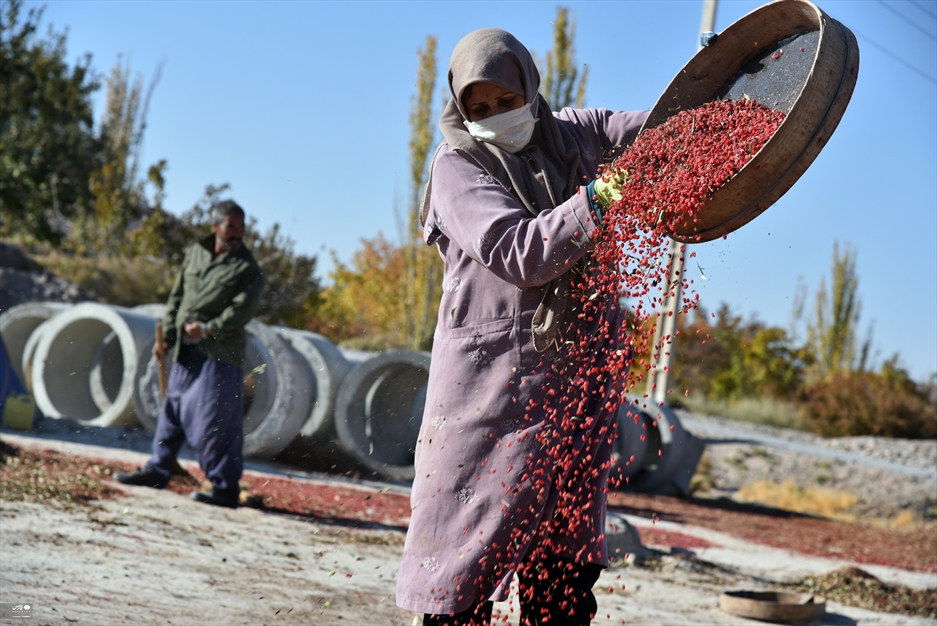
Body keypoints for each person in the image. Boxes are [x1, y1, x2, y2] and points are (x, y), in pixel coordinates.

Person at [395, 29, 648, 625]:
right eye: (477, 109)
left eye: (505, 102)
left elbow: (663, 128)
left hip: (576, 390)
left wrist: (737, 91)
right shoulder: (458, 166)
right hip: (491, 394)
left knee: (560, 578)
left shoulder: (577, 135)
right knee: (464, 569)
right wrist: (599, 198)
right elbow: (521, 252)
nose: (493, 118)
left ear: (529, 90)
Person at [115, 200, 264, 509]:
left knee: (215, 421)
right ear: (216, 227)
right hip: (187, 351)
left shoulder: (247, 269)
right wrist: (167, 337)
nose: (237, 234)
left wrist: (209, 329)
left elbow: (241, 311)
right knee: (172, 411)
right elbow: (178, 297)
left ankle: (224, 488)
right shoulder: (196, 254)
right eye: (230, 227)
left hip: (219, 355)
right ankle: (159, 469)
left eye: (241, 228)